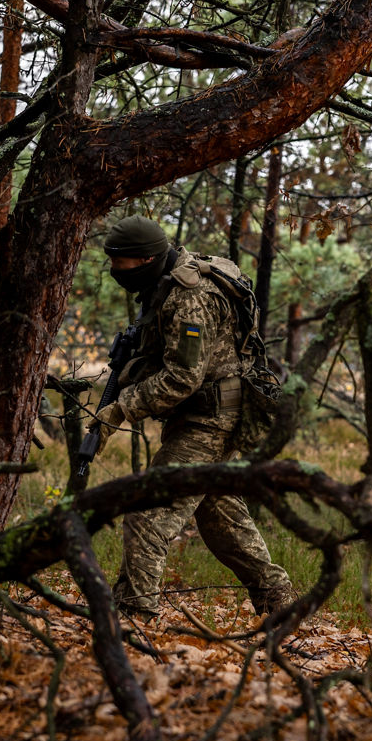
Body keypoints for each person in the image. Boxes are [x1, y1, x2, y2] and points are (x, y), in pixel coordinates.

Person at [91, 215, 294, 618]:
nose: (115, 271)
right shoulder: (163, 284)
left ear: (147, 258)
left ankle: (134, 618)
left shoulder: (188, 295)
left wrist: (120, 408)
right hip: (205, 414)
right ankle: (279, 601)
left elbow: (183, 378)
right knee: (221, 519)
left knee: (149, 513)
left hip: (210, 420)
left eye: (122, 264)